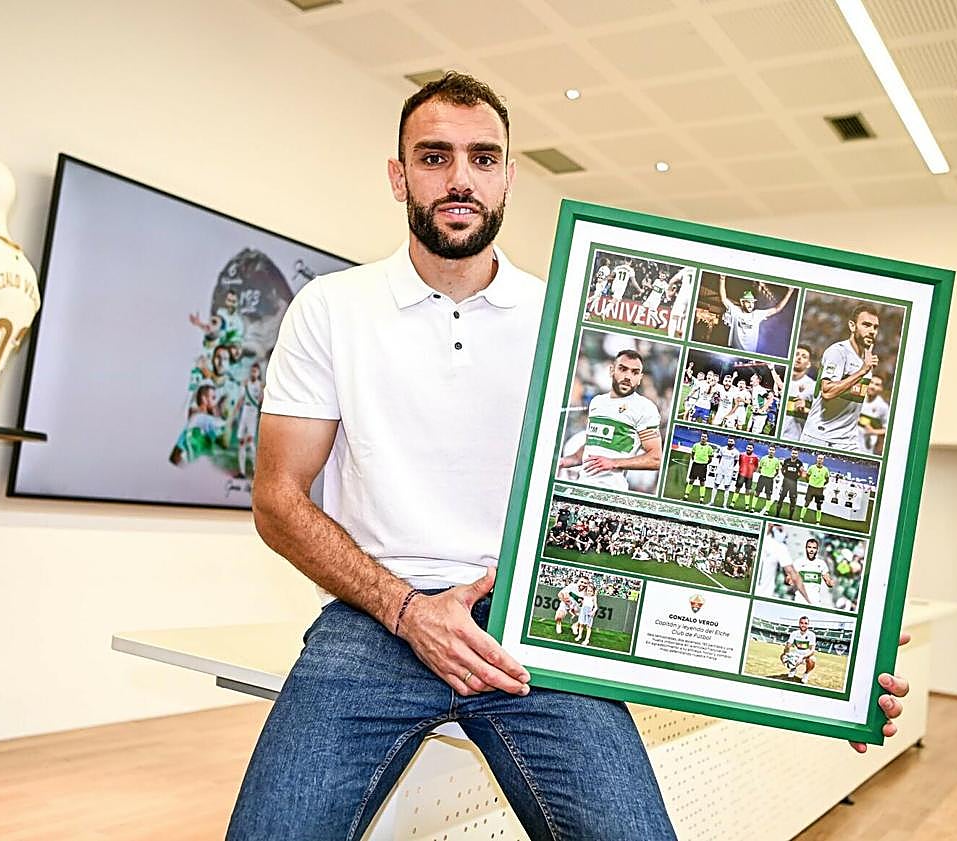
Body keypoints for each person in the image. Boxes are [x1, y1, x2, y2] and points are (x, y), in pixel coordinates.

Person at [226, 72, 907, 841]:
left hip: (537, 624)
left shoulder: (565, 316)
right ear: (398, 175)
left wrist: (836, 668)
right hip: (375, 621)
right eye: (434, 156)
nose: (460, 178)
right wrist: (407, 611)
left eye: (484, 158)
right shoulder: (332, 310)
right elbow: (278, 498)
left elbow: (686, 512)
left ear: (510, 177)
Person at [557, 349, 663, 491]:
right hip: (582, 486)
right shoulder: (597, 402)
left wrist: (614, 463)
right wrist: (568, 460)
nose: (628, 376)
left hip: (611, 491)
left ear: (640, 378)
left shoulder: (645, 408)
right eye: (623, 369)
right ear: (611, 370)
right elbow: (592, 445)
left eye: (634, 372)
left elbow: (655, 459)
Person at [801, 304, 882, 451]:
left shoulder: (867, 358)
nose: (872, 331)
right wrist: (862, 371)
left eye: (875, 327)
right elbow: (827, 392)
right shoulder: (838, 352)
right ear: (852, 326)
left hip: (849, 441)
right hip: (820, 438)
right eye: (866, 325)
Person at [718, 275, 794, 354]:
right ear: (742, 302)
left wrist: (789, 292)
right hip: (734, 351)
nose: (751, 305)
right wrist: (722, 279)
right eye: (748, 302)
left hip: (750, 353)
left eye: (752, 302)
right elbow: (723, 298)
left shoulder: (757, 314)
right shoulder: (735, 311)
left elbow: (777, 309)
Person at [783, 344, 816, 441]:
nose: (799, 358)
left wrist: (806, 407)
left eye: (804, 356)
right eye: (796, 354)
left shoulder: (812, 386)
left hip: (793, 437)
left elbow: (817, 415)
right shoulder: (781, 380)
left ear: (808, 364)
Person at [782, 616, 819, 685]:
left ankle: (806, 674)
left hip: (806, 656)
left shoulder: (811, 635)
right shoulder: (794, 633)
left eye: (805, 623)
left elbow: (812, 650)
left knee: (812, 660)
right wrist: (785, 653)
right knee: (782, 656)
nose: (803, 625)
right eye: (801, 623)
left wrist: (802, 657)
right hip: (796, 655)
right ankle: (793, 669)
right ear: (799, 623)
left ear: (808, 625)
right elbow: (788, 645)